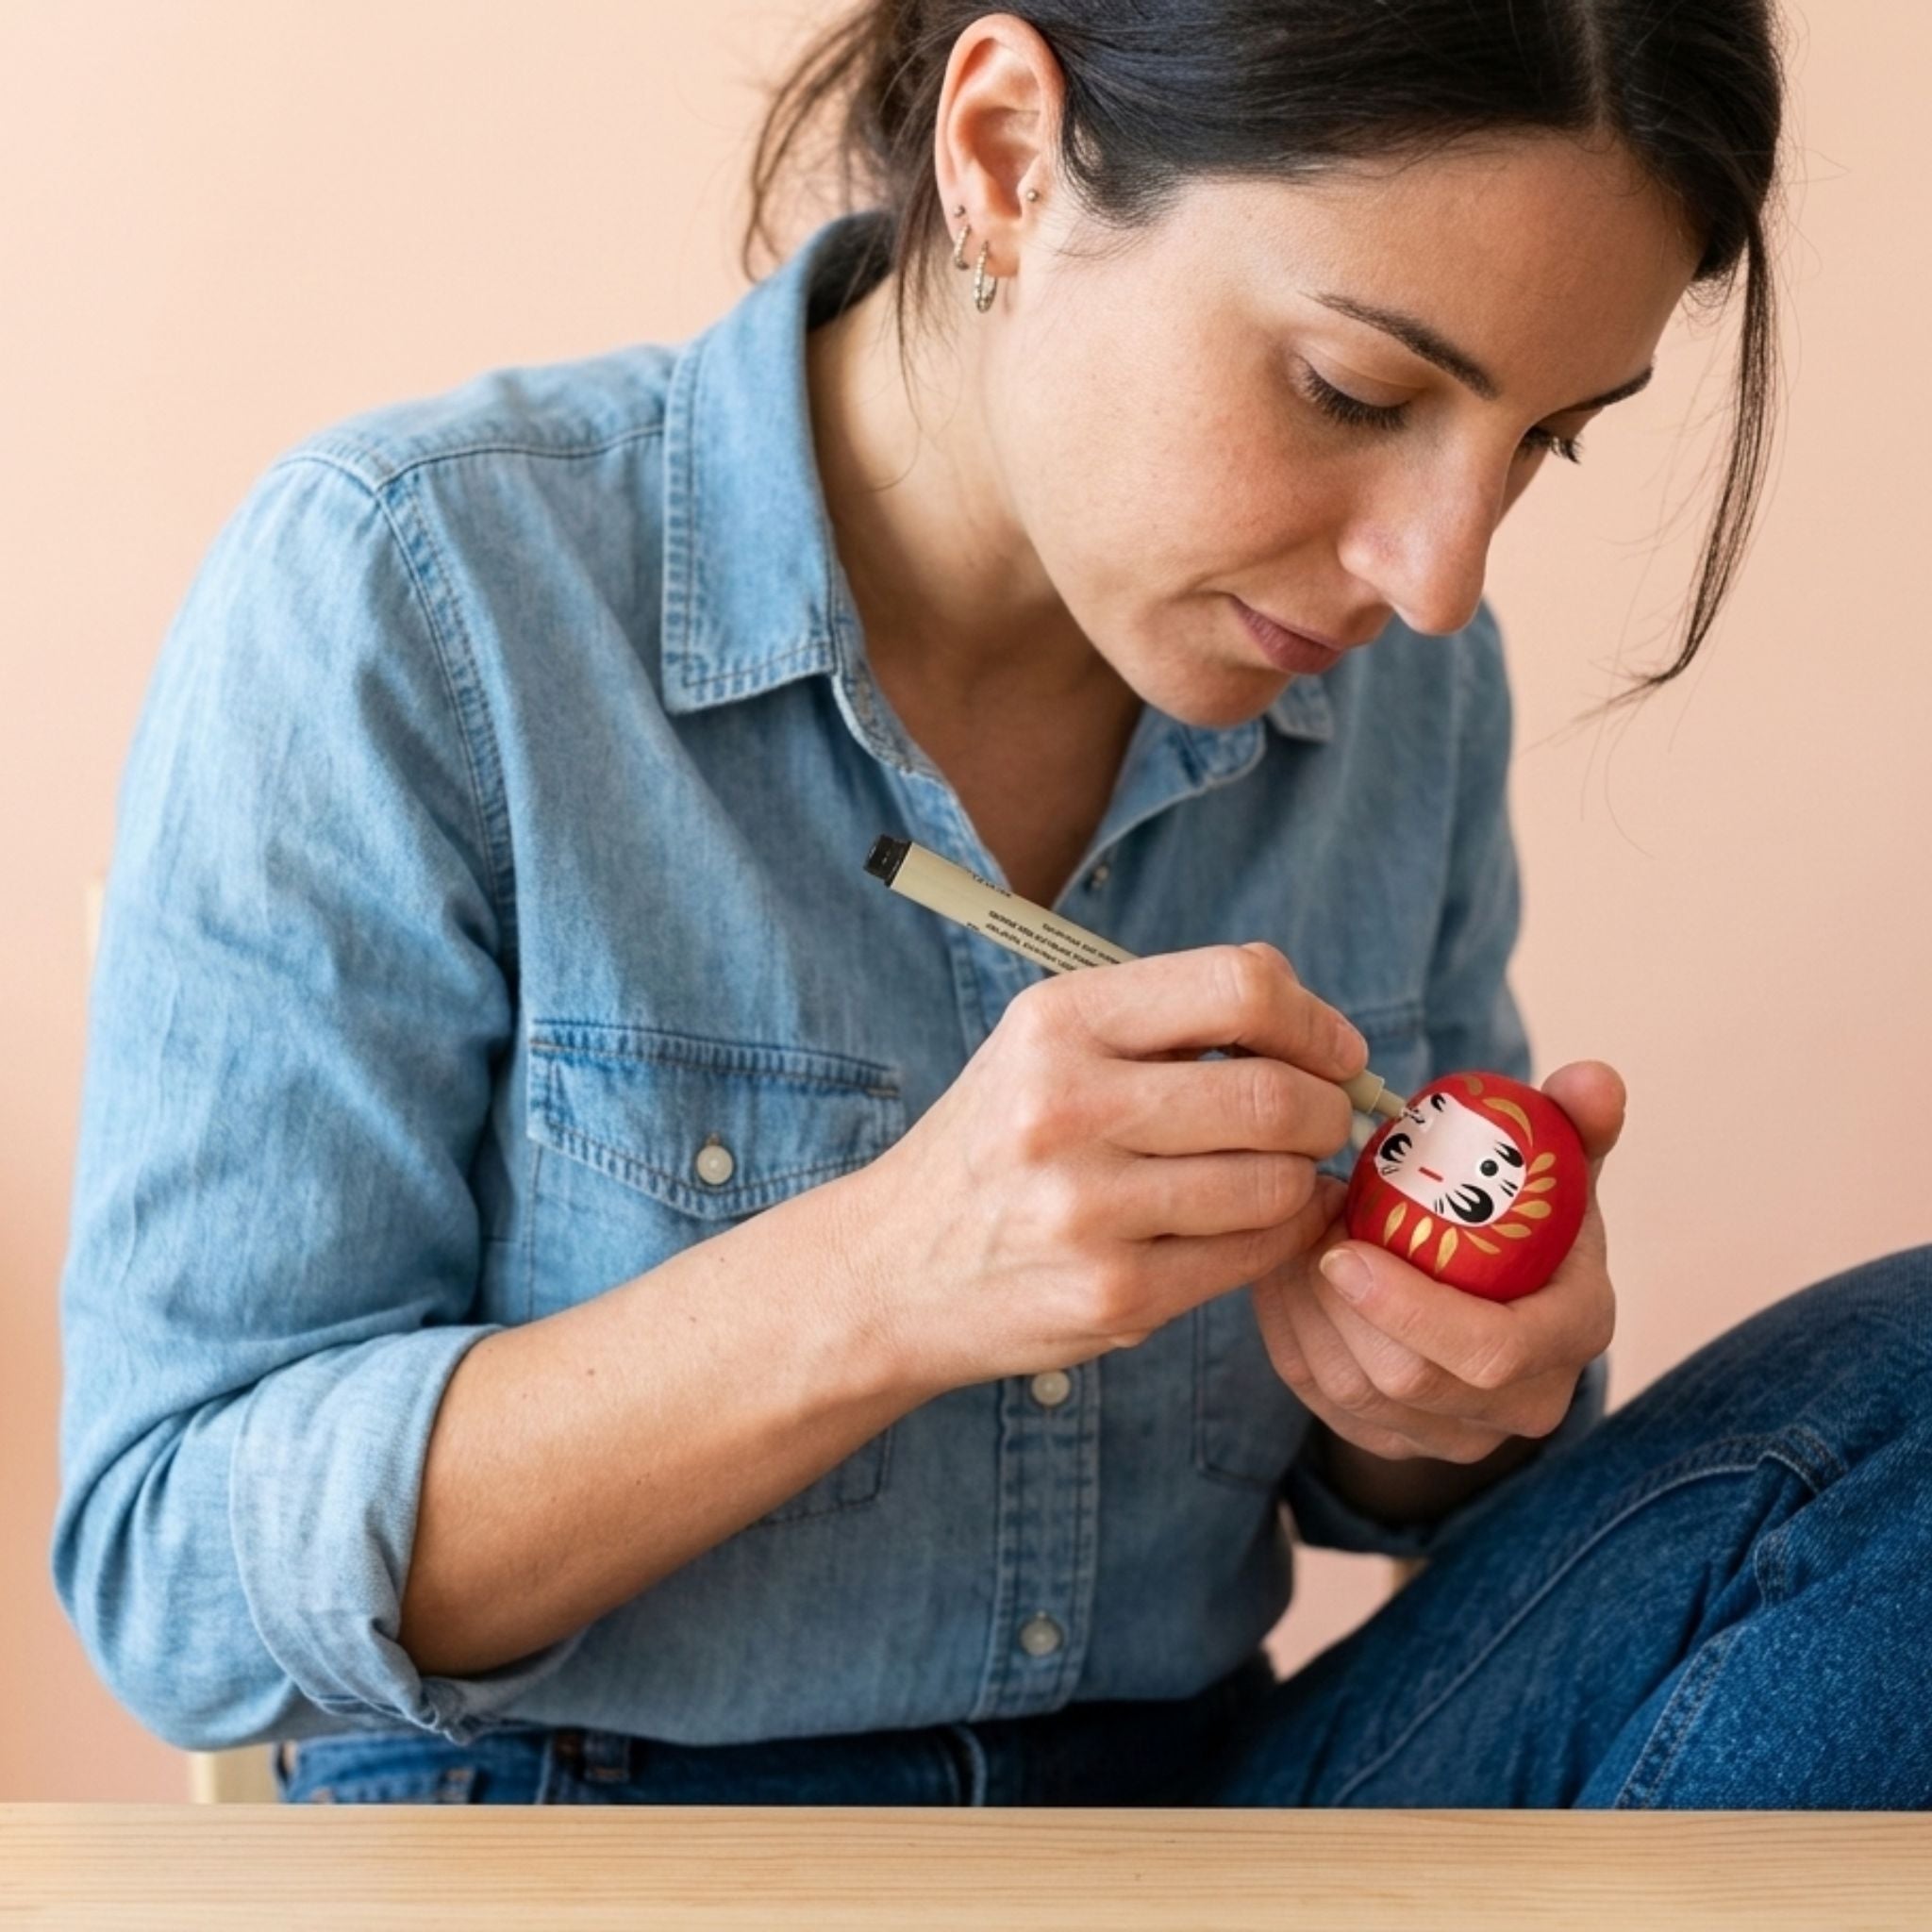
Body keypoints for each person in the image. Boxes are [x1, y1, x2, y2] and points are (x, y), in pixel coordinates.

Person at [52, 0, 1930, 1810]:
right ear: (1007, 157)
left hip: (1198, 1820)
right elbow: (175, 1581)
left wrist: (1443, 1403)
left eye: (1543, 440)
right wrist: (882, 1276)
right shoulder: (417, 596)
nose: (1435, 575)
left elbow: (1409, 1499)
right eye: (1355, 389)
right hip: (577, 1837)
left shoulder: (1397, 695)